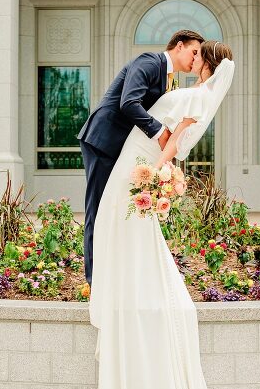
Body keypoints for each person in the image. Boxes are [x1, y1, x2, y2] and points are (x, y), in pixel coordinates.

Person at [88, 40, 252, 389]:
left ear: (204, 63)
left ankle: (108, 286)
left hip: (134, 167)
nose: (190, 59)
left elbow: (173, 143)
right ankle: (110, 284)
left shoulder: (190, 97)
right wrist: (158, 172)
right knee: (115, 227)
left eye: (198, 55)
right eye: (190, 51)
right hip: (131, 163)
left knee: (113, 225)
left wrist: (153, 174)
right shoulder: (184, 92)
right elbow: (167, 137)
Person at [78, 29, 204, 285]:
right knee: (99, 209)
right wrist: (159, 131)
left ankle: (113, 274)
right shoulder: (148, 62)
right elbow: (128, 102)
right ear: (179, 46)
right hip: (103, 141)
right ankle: (95, 281)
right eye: (194, 52)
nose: (195, 59)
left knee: (116, 208)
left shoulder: (171, 80)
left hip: (122, 149)